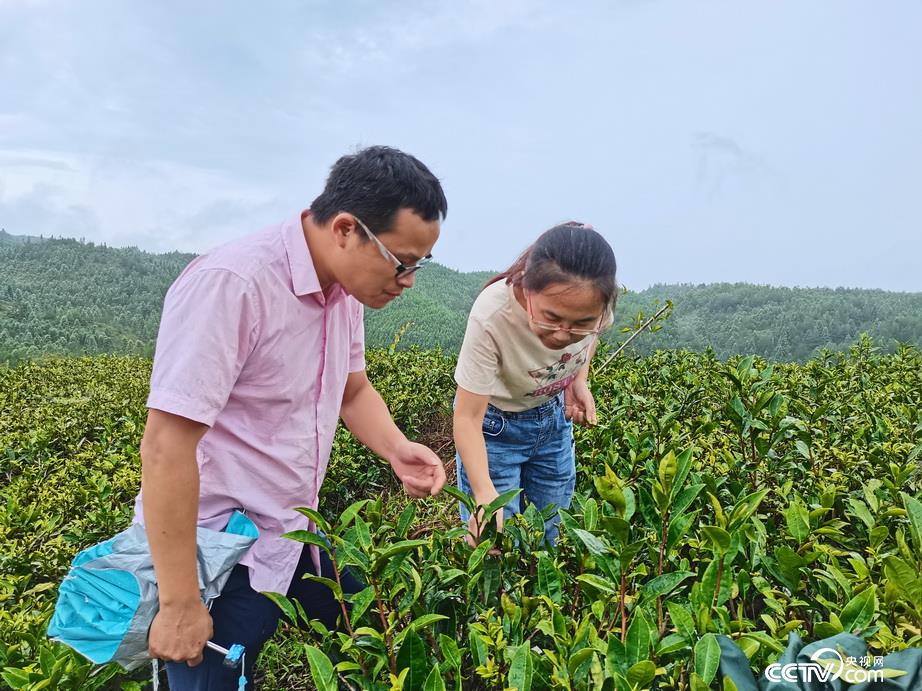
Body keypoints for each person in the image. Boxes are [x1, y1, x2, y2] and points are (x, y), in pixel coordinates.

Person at [135, 145, 448, 690]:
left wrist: (397, 448)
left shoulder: (343, 291)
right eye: (402, 263)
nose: (409, 282)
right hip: (214, 555)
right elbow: (166, 445)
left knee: (383, 632)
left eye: (420, 265)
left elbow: (352, 391)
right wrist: (179, 601)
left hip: (292, 530)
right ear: (347, 229)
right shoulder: (234, 285)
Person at [453, 222, 617, 545]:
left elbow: (592, 338)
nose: (562, 334)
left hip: (554, 424)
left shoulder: (597, 309)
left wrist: (576, 381)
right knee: (496, 547)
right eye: (551, 318)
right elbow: (466, 416)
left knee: (550, 536)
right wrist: (485, 493)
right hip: (495, 431)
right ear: (527, 289)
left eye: (580, 323)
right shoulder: (492, 315)